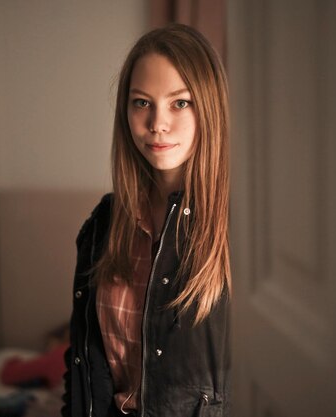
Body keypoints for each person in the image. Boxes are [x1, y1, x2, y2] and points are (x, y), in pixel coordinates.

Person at [62, 23, 231, 417]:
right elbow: (82, 365)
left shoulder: (236, 228)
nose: (157, 123)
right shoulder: (103, 223)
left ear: (209, 107)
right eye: (142, 102)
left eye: (180, 102)